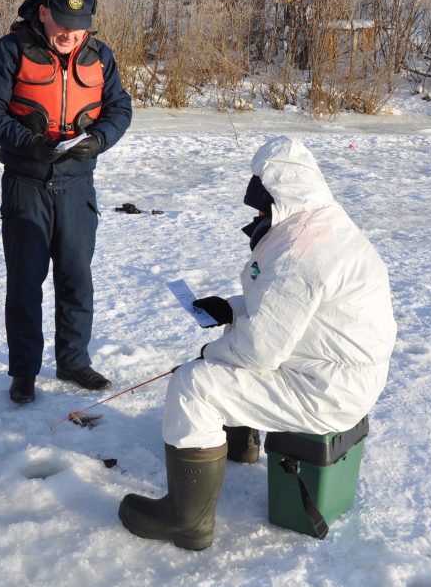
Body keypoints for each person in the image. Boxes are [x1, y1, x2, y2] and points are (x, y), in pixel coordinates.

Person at [118, 136, 397, 550]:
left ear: (280, 196)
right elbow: (291, 310)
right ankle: (239, 443)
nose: (257, 214)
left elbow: (259, 350)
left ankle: (186, 522)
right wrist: (232, 310)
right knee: (234, 347)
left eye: (261, 204)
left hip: (326, 391)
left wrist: (206, 355)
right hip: (334, 371)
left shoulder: (302, 252)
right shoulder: (325, 225)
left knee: (195, 385)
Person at [0, 0, 132, 404]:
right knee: (25, 282)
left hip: (78, 185)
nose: (68, 33)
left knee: (77, 277)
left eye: (78, 26)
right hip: (26, 182)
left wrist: (99, 140)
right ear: (43, 12)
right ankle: (24, 370)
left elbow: (119, 107)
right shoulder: (12, 49)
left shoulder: (100, 56)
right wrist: (28, 142)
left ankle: (73, 361)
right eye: (60, 21)